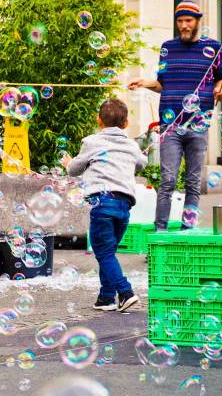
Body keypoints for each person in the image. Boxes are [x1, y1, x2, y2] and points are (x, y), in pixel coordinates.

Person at [128, 0, 222, 231]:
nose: (183, 25)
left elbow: (221, 79)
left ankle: (187, 233)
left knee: (193, 183)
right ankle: (160, 233)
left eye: (188, 21)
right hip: (170, 124)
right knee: (168, 181)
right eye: (180, 21)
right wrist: (145, 83)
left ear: (198, 22)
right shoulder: (167, 48)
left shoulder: (214, 47)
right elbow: (162, 84)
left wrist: (220, 89)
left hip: (198, 124)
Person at [62, 99, 148, 312]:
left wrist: (67, 162)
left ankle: (125, 292)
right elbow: (141, 164)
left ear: (99, 120)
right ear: (126, 124)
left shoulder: (92, 142)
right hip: (124, 205)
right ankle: (106, 298)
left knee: (104, 253)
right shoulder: (131, 145)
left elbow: (74, 169)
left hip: (102, 203)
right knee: (108, 251)